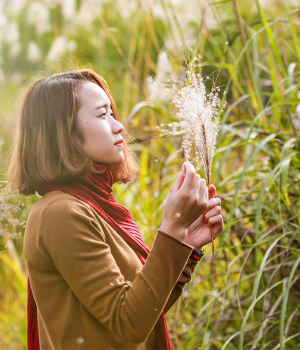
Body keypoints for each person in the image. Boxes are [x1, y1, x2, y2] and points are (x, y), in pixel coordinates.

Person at [6, 68, 224, 350]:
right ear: (64, 132)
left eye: (112, 112)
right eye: (102, 114)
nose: (119, 125)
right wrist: (172, 224)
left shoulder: (94, 207)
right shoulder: (60, 213)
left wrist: (186, 244)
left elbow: (145, 311)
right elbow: (129, 323)